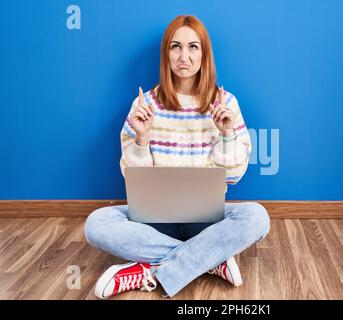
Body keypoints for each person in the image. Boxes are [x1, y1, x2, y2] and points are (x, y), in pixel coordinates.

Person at [84, 15, 270, 299]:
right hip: (154, 221)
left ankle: (148, 270)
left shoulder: (226, 103)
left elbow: (233, 176)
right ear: (166, 54)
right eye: (176, 47)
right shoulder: (144, 105)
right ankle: (208, 259)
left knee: (257, 217)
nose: (184, 56)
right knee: (96, 223)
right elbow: (132, 178)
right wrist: (142, 137)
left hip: (207, 221)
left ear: (204, 54)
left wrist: (227, 135)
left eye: (193, 47)